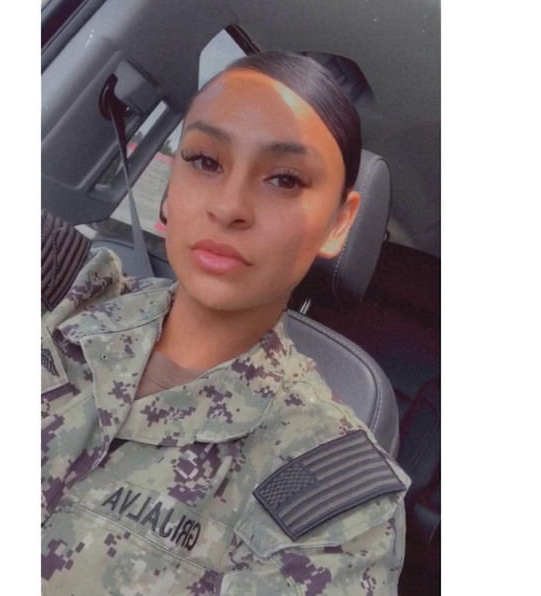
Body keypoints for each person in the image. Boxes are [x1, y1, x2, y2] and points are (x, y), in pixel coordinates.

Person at [41, 51, 410, 595]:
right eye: (205, 161)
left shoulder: (340, 504)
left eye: (284, 179)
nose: (229, 206)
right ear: (170, 188)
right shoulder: (63, 293)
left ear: (339, 223)